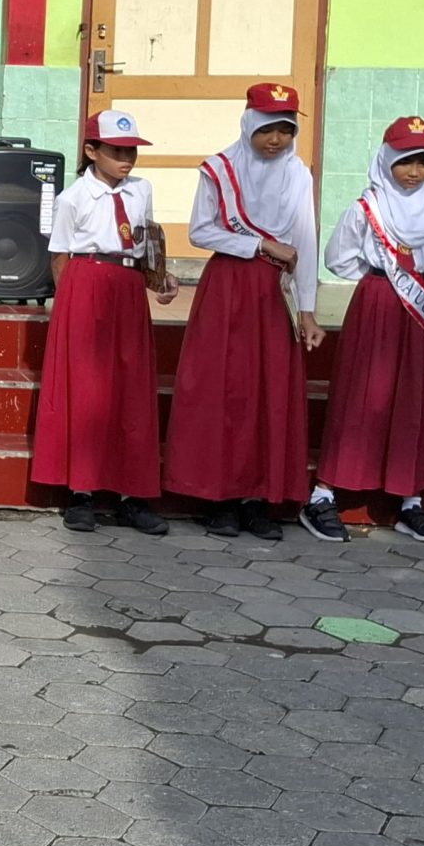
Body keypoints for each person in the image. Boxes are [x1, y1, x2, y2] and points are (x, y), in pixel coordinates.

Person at [165, 82, 321, 541]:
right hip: (230, 288)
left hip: (276, 292)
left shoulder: (298, 174)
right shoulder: (220, 168)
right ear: (249, 123)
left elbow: (305, 242)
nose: (275, 140)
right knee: (224, 389)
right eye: (267, 129)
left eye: (285, 130)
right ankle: (220, 498)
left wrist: (308, 310)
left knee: (267, 390)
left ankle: (259, 497)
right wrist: (257, 244)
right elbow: (201, 231)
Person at [311, 116, 424, 544]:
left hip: (421, 310)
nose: (414, 171)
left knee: (413, 399)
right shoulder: (367, 206)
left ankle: (410, 500)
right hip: (375, 304)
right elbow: (338, 257)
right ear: (386, 159)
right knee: (361, 395)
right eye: (405, 161)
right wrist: (378, 276)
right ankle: (324, 494)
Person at [32, 109, 180, 535]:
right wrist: (68, 313)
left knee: (131, 389)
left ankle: (132, 494)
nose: (127, 160)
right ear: (91, 150)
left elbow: (146, 243)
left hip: (128, 289)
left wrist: (160, 279)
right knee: (88, 389)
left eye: (131, 151)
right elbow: (60, 256)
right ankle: (80, 492)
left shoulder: (141, 191)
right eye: (117, 151)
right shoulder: (72, 198)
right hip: (86, 284)